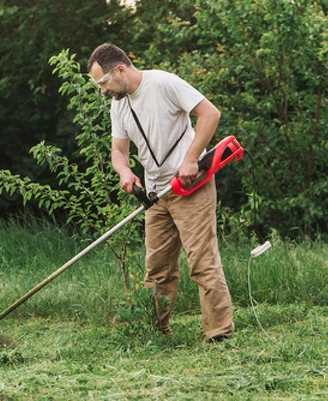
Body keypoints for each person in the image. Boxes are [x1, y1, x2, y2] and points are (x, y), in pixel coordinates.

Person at [86, 43, 234, 342]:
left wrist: (191, 159)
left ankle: (218, 333)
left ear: (120, 69)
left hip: (190, 187)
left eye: (103, 83)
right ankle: (155, 331)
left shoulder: (164, 83)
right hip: (155, 195)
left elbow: (210, 114)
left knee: (202, 262)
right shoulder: (119, 105)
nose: (102, 91)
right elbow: (118, 150)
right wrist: (124, 171)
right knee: (156, 270)